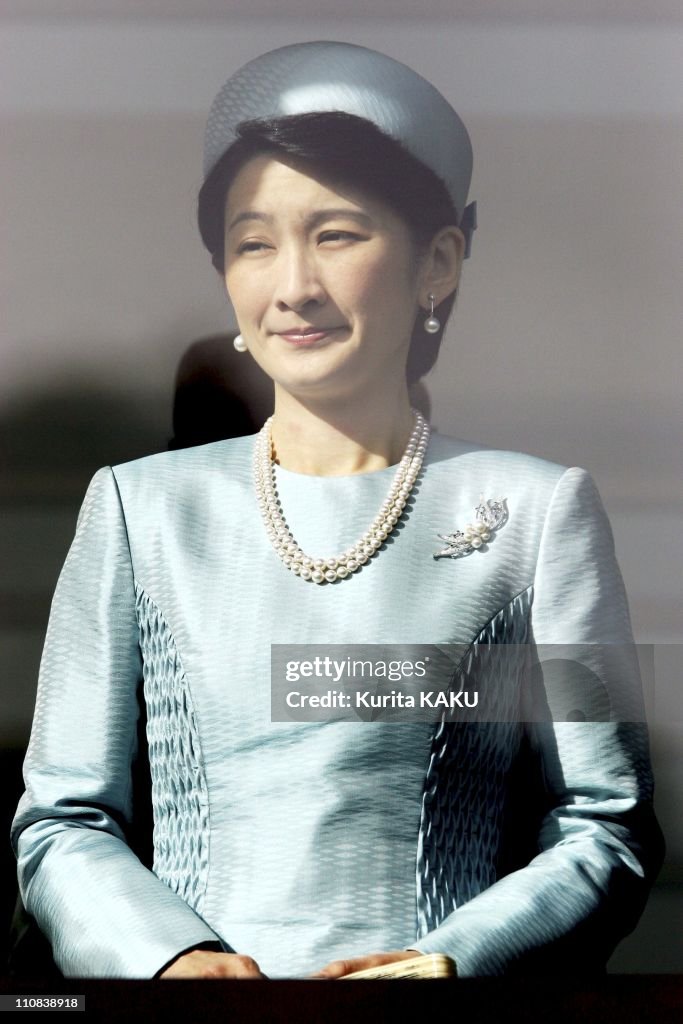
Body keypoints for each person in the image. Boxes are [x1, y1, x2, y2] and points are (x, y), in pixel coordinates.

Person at [11, 41, 663, 980]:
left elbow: (608, 826)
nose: (294, 286)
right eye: (253, 242)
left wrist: (452, 962)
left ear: (436, 262)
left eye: (338, 234)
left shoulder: (531, 511)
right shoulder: (138, 510)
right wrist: (166, 958)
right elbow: (62, 818)